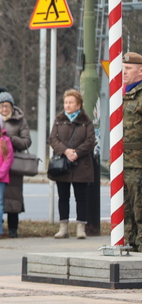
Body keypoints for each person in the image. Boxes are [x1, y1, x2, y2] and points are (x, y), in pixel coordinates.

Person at [48, 89, 96, 239]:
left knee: (81, 197)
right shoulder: (59, 119)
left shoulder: (86, 121)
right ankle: (63, 228)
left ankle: (81, 228)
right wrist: (66, 151)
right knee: (63, 197)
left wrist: (77, 152)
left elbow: (90, 141)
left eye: (71, 102)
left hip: (81, 165)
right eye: (66, 102)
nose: (67, 105)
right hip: (63, 165)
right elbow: (53, 139)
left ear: (79, 104)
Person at [0, 89, 32, 238]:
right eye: (2, 106)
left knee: (13, 197)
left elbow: (27, 141)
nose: (4, 109)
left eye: (7, 106)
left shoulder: (20, 121)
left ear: (12, 107)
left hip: (14, 164)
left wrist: (10, 138)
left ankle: (13, 228)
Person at [122, 52, 142, 251]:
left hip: (138, 163)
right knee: (125, 210)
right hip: (122, 163)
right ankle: (130, 243)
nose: (124, 73)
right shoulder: (120, 94)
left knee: (139, 209)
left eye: (128, 69)